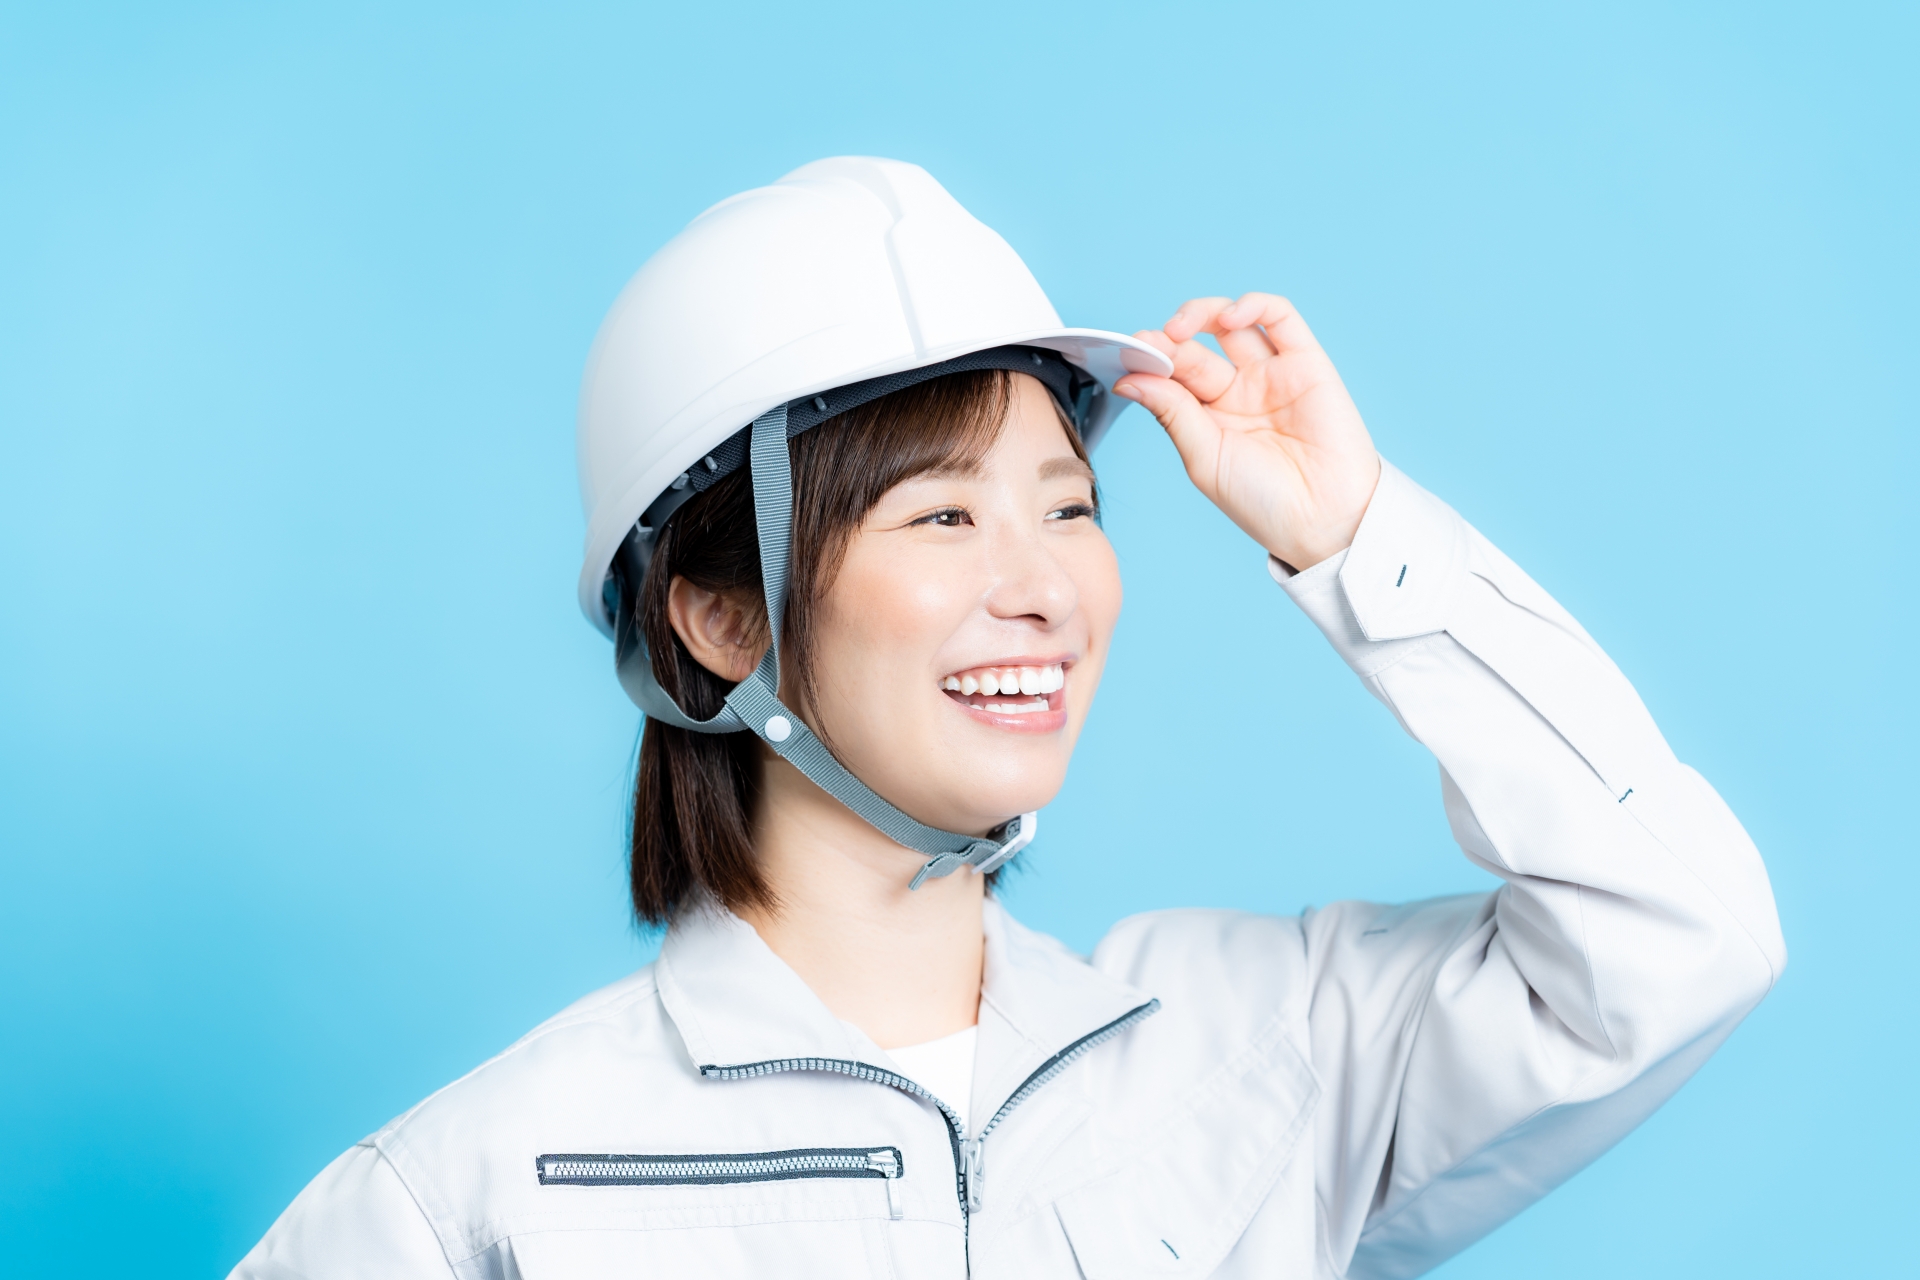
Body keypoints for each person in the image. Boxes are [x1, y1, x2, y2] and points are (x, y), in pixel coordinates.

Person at [230, 157, 1783, 1280]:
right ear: (719, 619)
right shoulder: (476, 1202)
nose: (1045, 588)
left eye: (1070, 506)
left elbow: (1681, 937)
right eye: (943, 517)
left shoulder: (1264, 1057)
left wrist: (1356, 538)